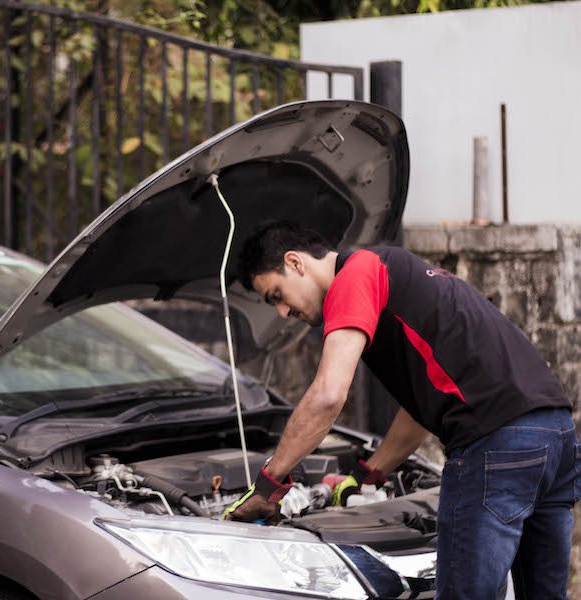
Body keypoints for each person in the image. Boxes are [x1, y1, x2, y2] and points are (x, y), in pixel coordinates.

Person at [222, 221, 577, 599]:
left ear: (295, 263)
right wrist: (369, 474)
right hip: (556, 436)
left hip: (495, 445)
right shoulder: (393, 268)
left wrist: (268, 486)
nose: (281, 312)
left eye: (276, 294)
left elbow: (327, 395)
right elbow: (422, 409)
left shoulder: (354, 274)